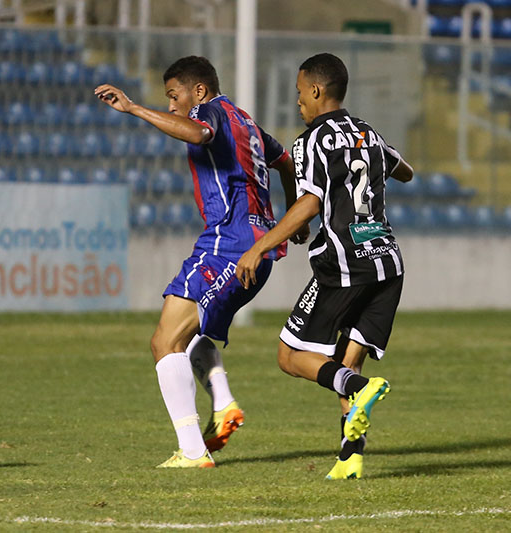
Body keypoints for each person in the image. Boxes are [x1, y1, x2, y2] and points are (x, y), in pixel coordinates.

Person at [95, 56, 308, 468]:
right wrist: (293, 215)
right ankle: (224, 405)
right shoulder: (246, 122)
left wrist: (135, 108)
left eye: (174, 96)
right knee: (191, 336)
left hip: (228, 244)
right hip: (257, 251)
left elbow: (199, 133)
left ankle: (193, 451)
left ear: (199, 91)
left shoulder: (207, 112)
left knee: (164, 342)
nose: (173, 106)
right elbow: (286, 163)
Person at [235, 53, 414, 479]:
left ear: (316, 91)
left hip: (345, 265)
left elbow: (310, 202)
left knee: (290, 355)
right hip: (387, 262)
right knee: (344, 362)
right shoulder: (368, 133)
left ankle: (361, 389)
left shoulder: (309, 142)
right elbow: (404, 170)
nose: (298, 102)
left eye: (299, 93)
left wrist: (259, 247)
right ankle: (350, 457)